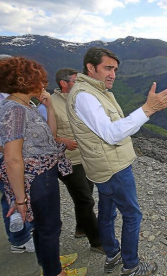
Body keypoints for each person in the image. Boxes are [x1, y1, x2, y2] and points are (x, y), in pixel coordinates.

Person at [66, 47, 167, 276]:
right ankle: (131, 265)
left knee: (108, 212)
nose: (113, 74)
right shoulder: (86, 96)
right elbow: (111, 133)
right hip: (113, 167)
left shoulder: (94, 90)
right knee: (132, 215)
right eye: (108, 68)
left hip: (103, 166)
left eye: (115, 69)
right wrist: (149, 108)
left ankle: (112, 255)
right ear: (90, 67)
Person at [0, 56, 87, 276]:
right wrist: (20, 199)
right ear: (24, 80)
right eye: (38, 78)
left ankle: (48, 263)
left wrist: (48, 107)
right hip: (37, 178)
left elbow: (50, 136)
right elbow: (11, 157)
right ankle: (54, 272)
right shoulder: (14, 109)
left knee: (43, 226)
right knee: (49, 227)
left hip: (41, 175)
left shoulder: (23, 105)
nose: (44, 83)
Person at [52, 68, 103, 253]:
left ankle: (81, 228)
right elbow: (40, 137)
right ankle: (97, 242)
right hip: (67, 161)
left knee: (85, 195)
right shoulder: (49, 104)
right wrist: (62, 141)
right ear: (63, 84)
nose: (80, 84)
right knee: (86, 200)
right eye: (76, 81)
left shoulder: (79, 99)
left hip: (85, 157)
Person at [0, 54, 34, 254]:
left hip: (13, 155)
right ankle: (20, 239)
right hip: (7, 157)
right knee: (12, 198)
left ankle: (23, 235)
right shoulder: (8, 103)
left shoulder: (12, 97)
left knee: (13, 196)